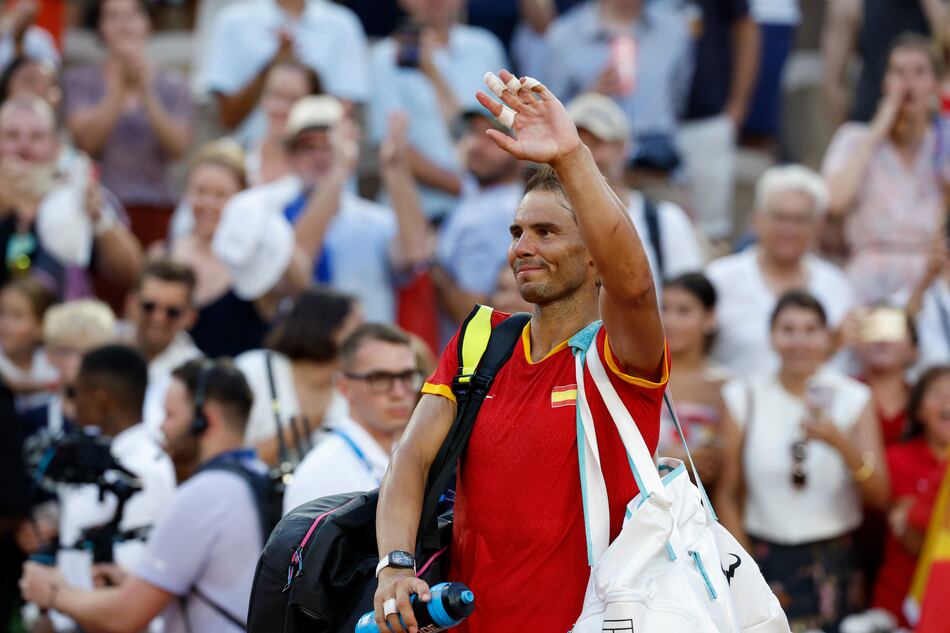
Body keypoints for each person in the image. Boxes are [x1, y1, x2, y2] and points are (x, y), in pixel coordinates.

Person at [372, 70, 668, 632]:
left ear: (593, 256)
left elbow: (633, 287)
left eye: (546, 232)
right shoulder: (479, 336)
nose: (522, 248)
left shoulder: (621, 355)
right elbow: (409, 457)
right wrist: (394, 565)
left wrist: (573, 156)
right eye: (516, 232)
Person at [19, 358, 267, 633]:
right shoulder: (258, 477)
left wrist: (53, 593)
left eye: (169, 415)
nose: (161, 427)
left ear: (204, 421)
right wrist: (133, 583)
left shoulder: (204, 493)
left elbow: (125, 617)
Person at [720, 291, 889, 632]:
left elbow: (880, 495)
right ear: (771, 336)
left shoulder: (854, 397)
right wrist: (747, 570)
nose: (799, 341)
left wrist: (840, 442)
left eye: (811, 330)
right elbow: (727, 493)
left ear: (827, 337)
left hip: (833, 558)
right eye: (788, 329)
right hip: (763, 554)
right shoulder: (744, 396)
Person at [222, 95, 428, 323]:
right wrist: (337, 174)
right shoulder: (270, 214)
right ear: (290, 156)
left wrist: (396, 169)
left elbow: (414, 254)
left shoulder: (374, 220)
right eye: (308, 147)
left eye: (329, 145)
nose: (320, 156)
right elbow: (296, 270)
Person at [47, 344, 176, 633]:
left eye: (75, 392)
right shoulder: (104, 455)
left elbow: (123, 580)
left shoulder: (145, 469)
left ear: (101, 399)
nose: (72, 405)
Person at [822, 34, 946, 304]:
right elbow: (833, 202)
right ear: (885, 82)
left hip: (933, 274)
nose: (907, 82)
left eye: (919, 72)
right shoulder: (854, 138)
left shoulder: (944, 141)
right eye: (898, 72)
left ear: (935, 85)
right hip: (870, 273)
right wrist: (877, 132)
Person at [63, 0, 192, 248]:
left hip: (158, 206)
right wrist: (119, 86)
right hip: (100, 208)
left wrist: (146, 92)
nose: (124, 24)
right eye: (113, 16)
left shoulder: (173, 84)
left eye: (133, 14)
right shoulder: (79, 81)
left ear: (148, 24)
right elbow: (87, 143)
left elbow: (178, 148)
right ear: (100, 27)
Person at [707, 164, 855, 376]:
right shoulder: (720, 279)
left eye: (800, 219)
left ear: (818, 225)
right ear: (757, 219)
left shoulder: (837, 285)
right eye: (779, 217)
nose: (789, 230)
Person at [369, 0, 508, 221]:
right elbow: (392, 147)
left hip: (486, 208)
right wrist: (468, 189)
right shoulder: (383, 58)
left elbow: (499, 131)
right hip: (419, 215)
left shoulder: (485, 47)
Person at [0, 96, 143, 299]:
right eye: (12, 135)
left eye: (37, 136)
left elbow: (130, 273)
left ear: (54, 144)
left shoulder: (78, 190)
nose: (24, 145)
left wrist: (99, 218)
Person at [566, 92, 703, 290]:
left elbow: (688, 303)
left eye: (597, 143)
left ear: (624, 148)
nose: (586, 154)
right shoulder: (538, 219)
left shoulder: (666, 221)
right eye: (578, 143)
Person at [542, 0, 693, 176]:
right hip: (593, 166)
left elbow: (678, 97)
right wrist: (589, 98)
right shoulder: (563, 35)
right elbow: (548, 115)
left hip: (657, 166)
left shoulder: (674, 31)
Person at [283, 323, 422, 513]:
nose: (398, 392)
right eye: (380, 378)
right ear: (344, 387)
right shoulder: (321, 473)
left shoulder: (415, 454)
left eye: (407, 376)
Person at [203, 0, 369, 143]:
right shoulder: (232, 21)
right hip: (253, 169)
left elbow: (341, 114)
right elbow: (227, 118)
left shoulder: (343, 24)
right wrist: (272, 65)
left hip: (321, 170)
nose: (281, 108)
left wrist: (299, 76)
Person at [165, 140, 272, 358]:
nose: (207, 203)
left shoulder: (255, 260)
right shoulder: (166, 254)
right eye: (200, 191)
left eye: (220, 195)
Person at [236, 287, 360, 466]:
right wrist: (301, 428)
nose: (366, 339)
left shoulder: (349, 391)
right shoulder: (256, 369)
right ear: (327, 328)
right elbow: (226, 458)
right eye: (357, 327)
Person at [659, 272, 741, 531]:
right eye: (664, 308)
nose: (669, 320)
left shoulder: (728, 387)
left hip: (702, 523)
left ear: (709, 318)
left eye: (683, 311)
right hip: (643, 517)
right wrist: (675, 458)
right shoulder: (639, 379)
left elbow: (730, 478)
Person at [430, 109, 523, 333]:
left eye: (492, 137)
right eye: (473, 132)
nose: (476, 145)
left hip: (475, 357)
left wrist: (433, 266)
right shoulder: (478, 195)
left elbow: (474, 314)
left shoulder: (496, 212)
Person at [871, 365, 950, 627]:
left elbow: (914, 523)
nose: (947, 400)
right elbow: (913, 541)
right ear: (917, 411)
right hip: (897, 604)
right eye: (937, 392)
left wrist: (915, 513)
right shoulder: (897, 459)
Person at [677, 0, 760, 243]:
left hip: (707, 119)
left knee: (710, 232)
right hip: (652, 124)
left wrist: (737, 108)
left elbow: (747, 29)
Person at [822, 0, 944, 125]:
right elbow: (833, 80)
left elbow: (946, 43)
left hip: (930, 127)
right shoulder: (850, 5)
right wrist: (846, 137)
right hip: (869, 120)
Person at [127, 259, 203, 431]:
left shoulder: (196, 376)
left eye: (173, 312)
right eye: (149, 306)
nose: (159, 318)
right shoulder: (105, 348)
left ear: (191, 317)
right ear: (131, 303)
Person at [36, 299, 116, 435]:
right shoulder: (31, 422)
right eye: (66, 351)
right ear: (49, 354)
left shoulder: (117, 421)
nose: (76, 363)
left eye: (88, 353)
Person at [246, 59, 321, 186]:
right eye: (275, 95)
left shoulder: (322, 170)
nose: (281, 108)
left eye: (293, 99)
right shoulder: (242, 162)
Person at [0, 276, 56, 411]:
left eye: (17, 316)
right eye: (1, 313)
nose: (4, 324)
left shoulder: (52, 363)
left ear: (41, 327)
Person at [0, 0, 59, 71]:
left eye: (27, 15)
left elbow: (52, 65)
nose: (23, 18)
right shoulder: (4, 33)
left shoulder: (42, 38)